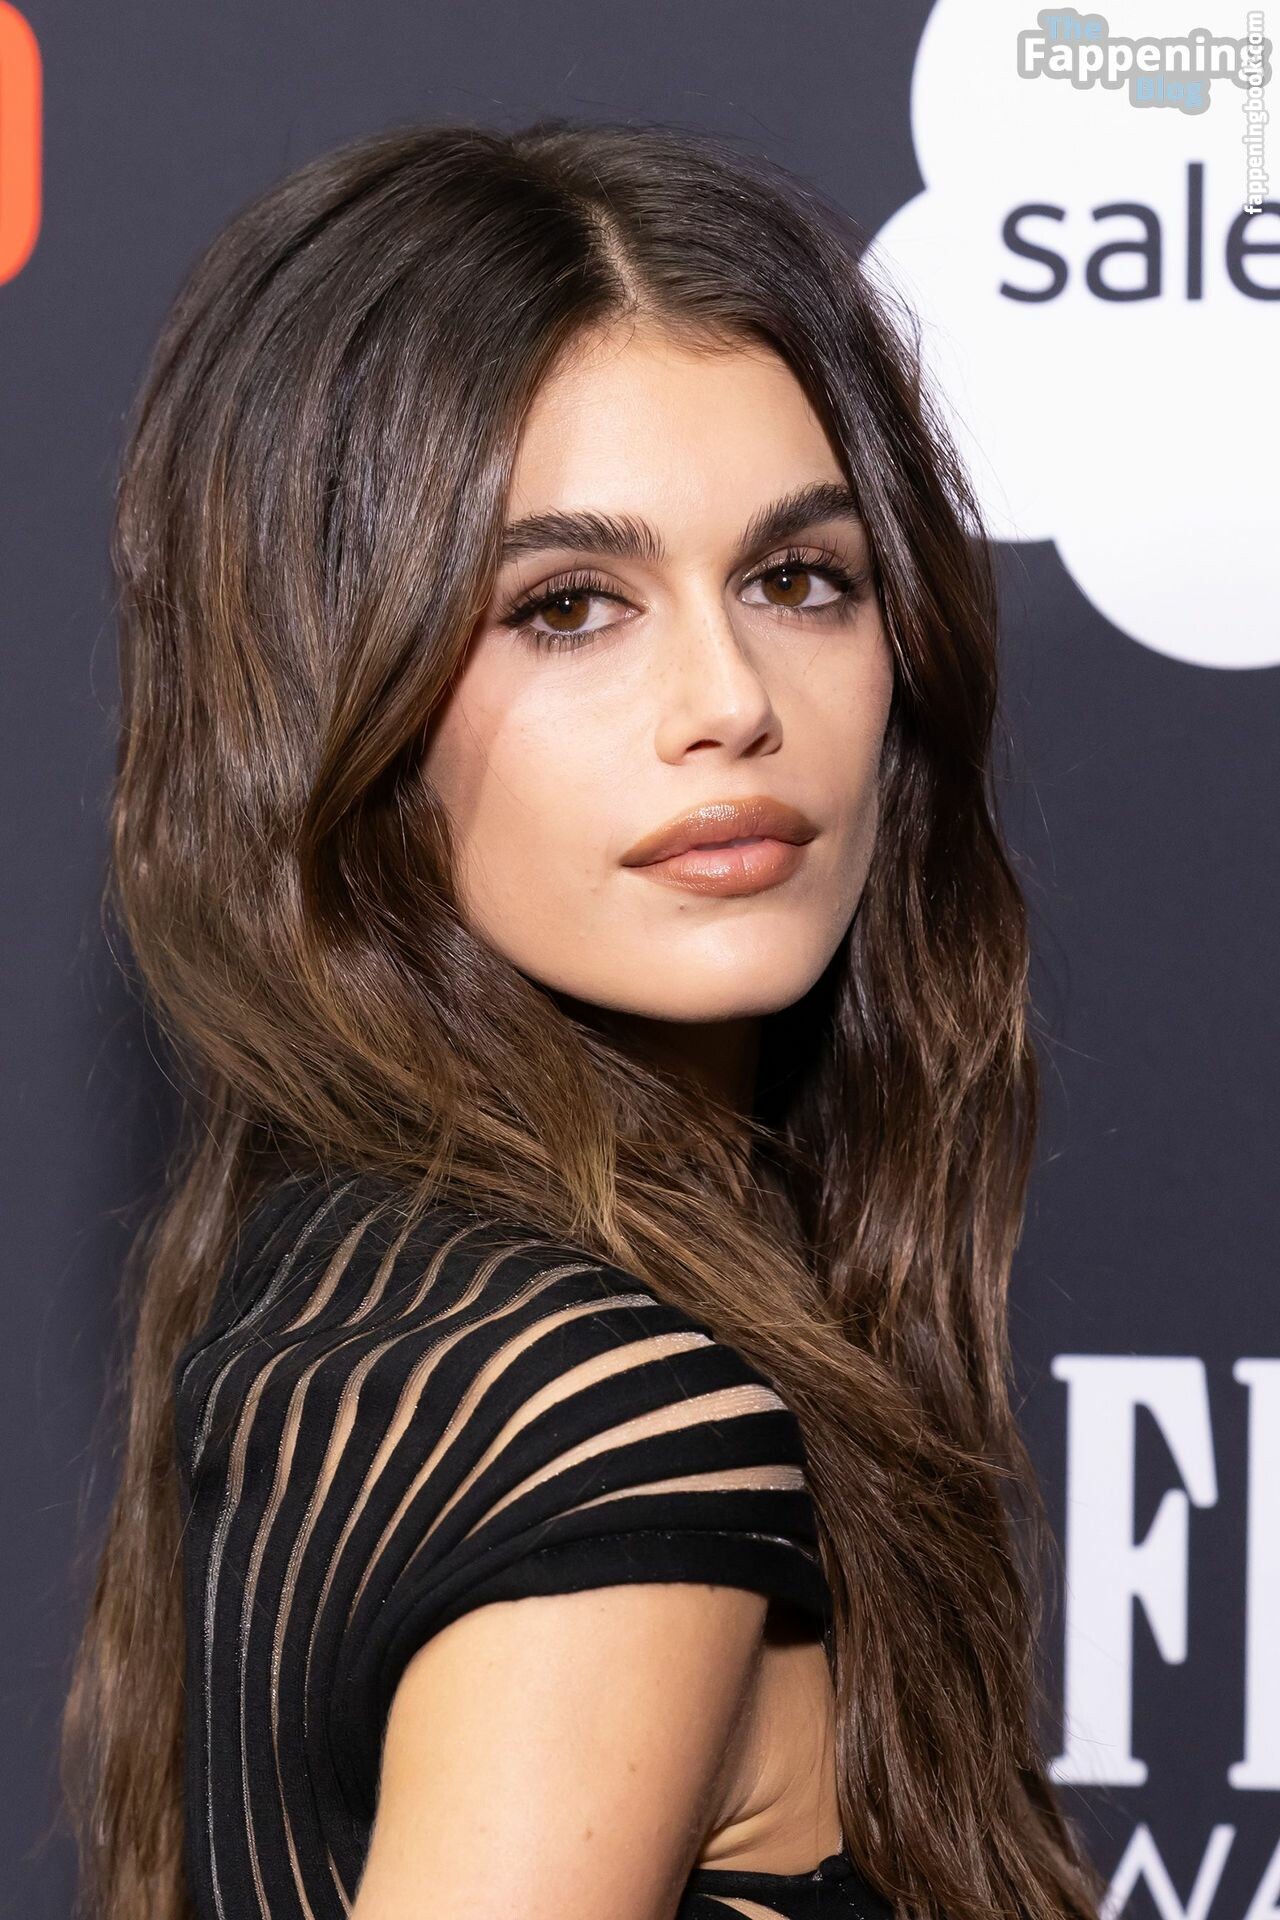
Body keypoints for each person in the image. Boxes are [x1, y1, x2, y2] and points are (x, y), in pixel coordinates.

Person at [60, 118, 1104, 1920]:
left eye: (800, 578)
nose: (729, 700)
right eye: (565, 607)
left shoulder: (359, 1299)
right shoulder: (605, 1416)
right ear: (331, 697)